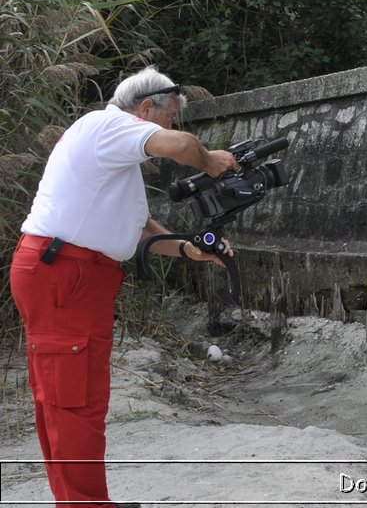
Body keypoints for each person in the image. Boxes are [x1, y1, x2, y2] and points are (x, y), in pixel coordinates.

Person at [9, 67, 239, 508]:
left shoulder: (113, 153)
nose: (173, 127)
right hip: (66, 273)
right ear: (146, 107)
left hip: (70, 273)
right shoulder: (107, 125)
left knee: (67, 399)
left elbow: (139, 230)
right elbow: (184, 148)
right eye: (170, 116)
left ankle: (80, 502)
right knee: (74, 400)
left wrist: (191, 249)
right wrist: (210, 160)